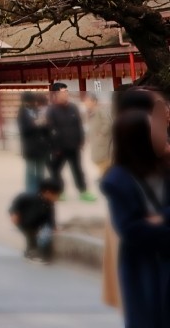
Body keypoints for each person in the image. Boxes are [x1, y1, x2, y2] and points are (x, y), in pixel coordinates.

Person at [101, 109, 170, 327]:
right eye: (156, 130)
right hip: (144, 269)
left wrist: (161, 218)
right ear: (139, 139)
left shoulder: (166, 170)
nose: (164, 133)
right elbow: (132, 230)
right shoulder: (117, 181)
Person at [47, 85, 96, 201]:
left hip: (74, 145)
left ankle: (83, 191)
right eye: (63, 93)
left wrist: (81, 141)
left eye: (66, 92)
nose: (66, 95)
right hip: (59, 147)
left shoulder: (73, 107)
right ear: (55, 94)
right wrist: (55, 147)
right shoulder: (52, 111)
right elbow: (50, 130)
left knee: (78, 170)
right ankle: (60, 191)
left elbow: (79, 125)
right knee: (55, 170)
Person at [9, 178, 63, 264]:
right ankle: (31, 252)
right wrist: (15, 214)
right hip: (25, 222)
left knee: (44, 237)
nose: (57, 198)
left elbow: (51, 217)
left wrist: (54, 227)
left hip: (39, 223)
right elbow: (16, 203)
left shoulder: (49, 204)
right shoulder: (29, 197)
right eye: (56, 195)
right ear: (48, 192)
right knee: (31, 238)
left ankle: (42, 254)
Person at [18, 92, 51, 194]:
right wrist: (37, 124)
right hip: (30, 145)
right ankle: (31, 190)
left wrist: (42, 124)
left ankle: (40, 188)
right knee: (31, 170)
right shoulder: (22, 113)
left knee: (40, 170)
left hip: (41, 145)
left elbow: (46, 127)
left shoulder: (37, 111)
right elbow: (26, 128)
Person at [84, 92, 111, 173]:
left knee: (104, 163)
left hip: (102, 143)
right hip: (96, 143)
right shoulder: (90, 112)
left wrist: (101, 133)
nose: (86, 103)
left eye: (88, 101)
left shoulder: (100, 111)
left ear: (94, 102)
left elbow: (108, 123)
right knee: (98, 162)